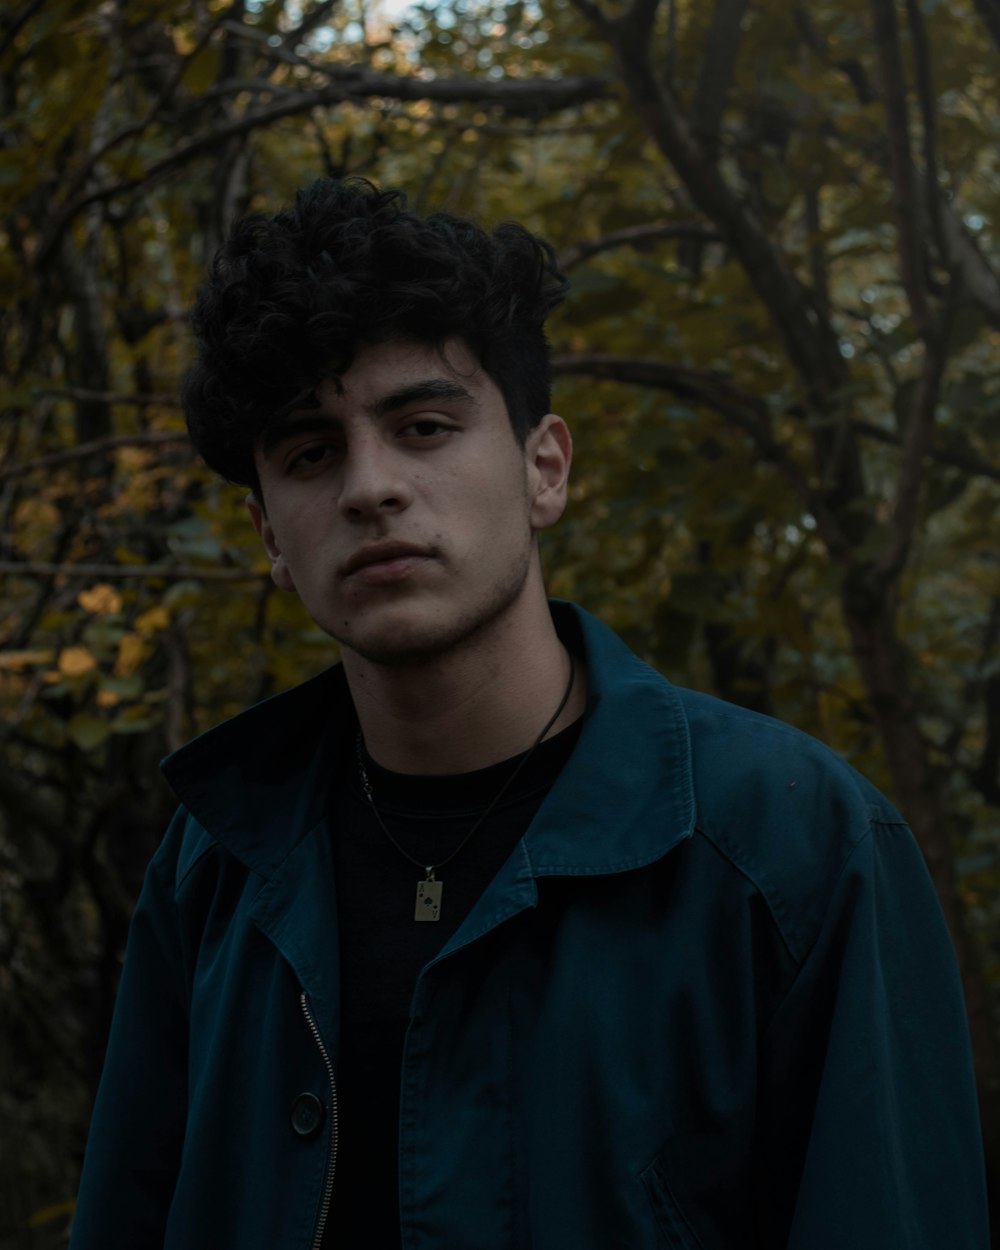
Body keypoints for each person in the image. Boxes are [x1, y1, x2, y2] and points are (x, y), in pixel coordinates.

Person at [70, 178, 989, 1250]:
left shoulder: (797, 844)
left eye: (421, 425)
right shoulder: (216, 860)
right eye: (311, 452)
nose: (370, 486)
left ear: (542, 466)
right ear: (271, 532)